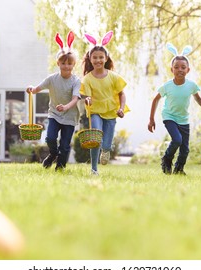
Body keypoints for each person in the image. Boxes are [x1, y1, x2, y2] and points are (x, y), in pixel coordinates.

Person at [148, 43, 201, 175]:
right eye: (176, 67)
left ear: (188, 70)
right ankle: (167, 159)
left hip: (184, 119)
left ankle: (179, 169)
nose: (180, 69)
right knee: (177, 140)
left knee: (185, 149)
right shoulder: (167, 86)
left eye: (183, 67)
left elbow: (198, 99)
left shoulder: (191, 85)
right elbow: (156, 99)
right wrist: (151, 119)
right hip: (169, 117)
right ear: (171, 70)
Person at [26, 31, 80, 171]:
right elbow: (38, 88)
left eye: (69, 63)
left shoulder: (76, 81)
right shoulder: (52, 79)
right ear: (58, 63)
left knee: (65, 144)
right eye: (63, 63)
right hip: (54, 114)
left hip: (69, 116)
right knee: (50, 138)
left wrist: (66, 107)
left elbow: (75, 99)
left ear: (74, 64)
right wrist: (32, 89)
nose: (66, 66)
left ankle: (60, 167)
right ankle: (53, 154)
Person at [80, 31, 129, 175]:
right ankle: (94, 169)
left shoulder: (113, 77)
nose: (98, 60)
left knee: (106, 143)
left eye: (101, 57)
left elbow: (122, 94)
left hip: (111, 112)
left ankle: (106, 150)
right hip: (95, 111)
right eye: (94, 57)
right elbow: (87, 96)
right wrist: (87, 99)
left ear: (106, 58)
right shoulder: (87, 79)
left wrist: (121, 108)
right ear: (90, 59)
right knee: (95, 139)